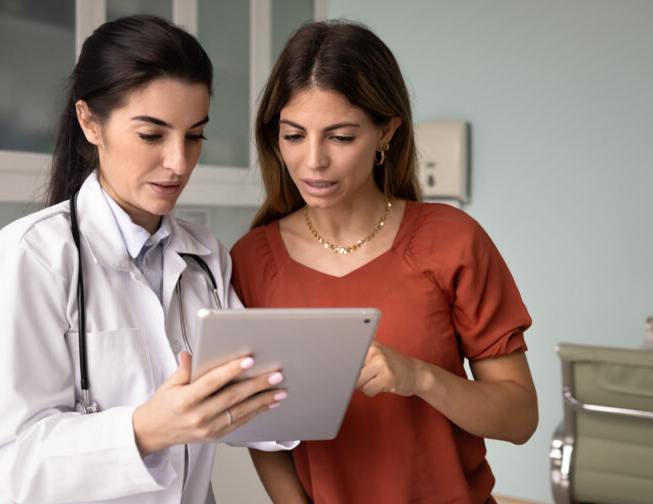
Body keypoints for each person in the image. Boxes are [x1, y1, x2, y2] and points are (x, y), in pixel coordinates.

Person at [0, 16, 293, 504]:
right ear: (89, 122)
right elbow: (16, 463)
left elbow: (247, 407)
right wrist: (145, 428)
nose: (179, 163)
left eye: (194, 136)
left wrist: (312, 382)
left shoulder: (205, 256)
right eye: (151, 135)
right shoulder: (30, 258)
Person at [230, 21, 538, 503]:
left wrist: (420, 377)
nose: (313, 162)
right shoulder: (251, 261)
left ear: (385, 133)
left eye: (340, 137)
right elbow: (262, 430)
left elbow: (520, 419)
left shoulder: (453, 241)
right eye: (294, 136)